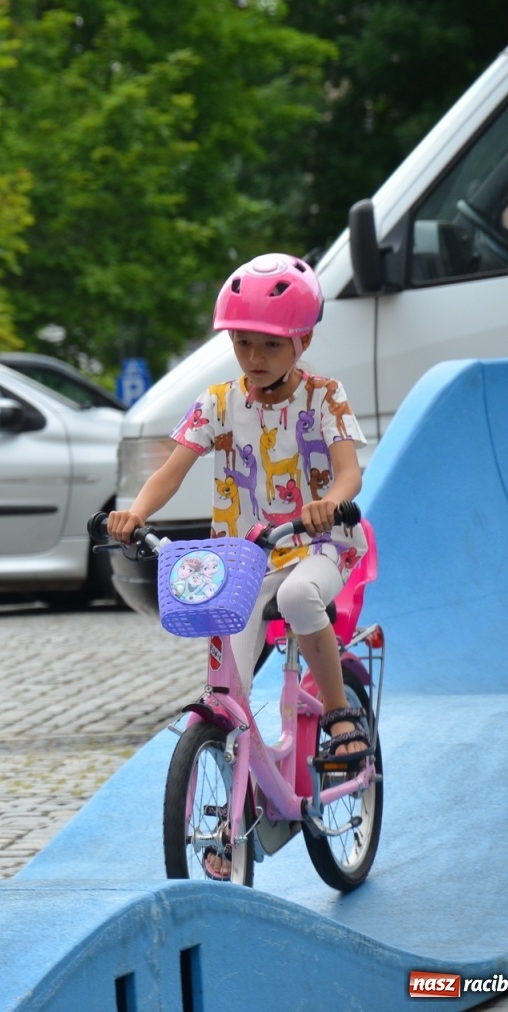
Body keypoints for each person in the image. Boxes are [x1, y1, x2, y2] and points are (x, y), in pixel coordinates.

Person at [106, 254, 373, 872]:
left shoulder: (324, 397)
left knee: (299, 597)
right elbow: (170, 472)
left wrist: (328, 504)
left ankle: (338, 715)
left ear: (302, 341)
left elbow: (349, 472)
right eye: (242, 342)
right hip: (245, 557)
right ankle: (232, 820)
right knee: (228, 693)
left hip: (319, 546)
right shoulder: (220, 402)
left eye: (271, 344)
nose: (254, 356)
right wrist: (135, 513)